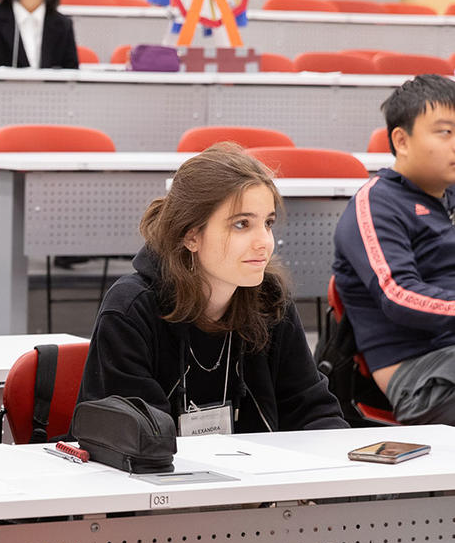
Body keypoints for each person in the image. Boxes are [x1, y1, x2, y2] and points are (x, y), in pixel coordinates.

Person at [78, 144, 346, 434]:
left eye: (268, 223)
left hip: (254, 464)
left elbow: (314, 411)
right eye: (241, 224)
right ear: (191, 236)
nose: (264, 242)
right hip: (156, 464)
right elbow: (135, 438)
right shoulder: (132, 308)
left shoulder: (269, 301)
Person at [333, 74, 455, 424]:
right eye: (445, 132)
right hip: (420, 376)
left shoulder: (448, 195)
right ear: (401, 140)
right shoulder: (376, 204)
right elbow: (398, 295)